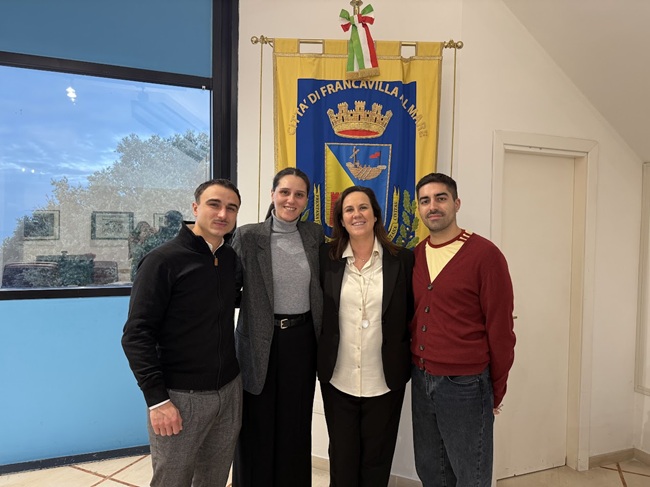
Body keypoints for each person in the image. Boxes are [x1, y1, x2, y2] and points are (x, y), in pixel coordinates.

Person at [121, 179, 243, 487]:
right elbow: (136, 334)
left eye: (231, 208)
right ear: (195, 208)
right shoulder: (162, 261)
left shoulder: (229, 258)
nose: (222, 214)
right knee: (172, 480)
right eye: (214, 204)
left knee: (213, 478)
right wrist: (157, 401)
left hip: (229, 391)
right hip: (180, 397)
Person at [410, 172, 516, 487]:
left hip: (465, 385)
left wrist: (497, 387)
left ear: (456, 203)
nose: (433, 206)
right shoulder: (416, 255)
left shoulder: (485, 255)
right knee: (432, 471)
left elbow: (501, 328)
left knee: (471, 474)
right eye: (425, 201)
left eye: (440, 198)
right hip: (421, 378)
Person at [231, 167, 324, 487]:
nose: (291, 200)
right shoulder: (248, 236)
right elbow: (228, 288)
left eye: (299, 194)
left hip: (301, 340)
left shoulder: (314, 235)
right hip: (258, 340)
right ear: (272, 195)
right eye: (284, 192)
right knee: (255, 423)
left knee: (294, 423)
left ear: (306, 200)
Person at [318, 186, 414, 486]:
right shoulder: (326, 257)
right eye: (349, 209)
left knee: (377, 461)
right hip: (339, 378)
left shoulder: (402, 259)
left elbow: (412, 312)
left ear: (375, 215)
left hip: (384, 379)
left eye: (363, 208)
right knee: (342, 460)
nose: (356, 214)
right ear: (341, 219)